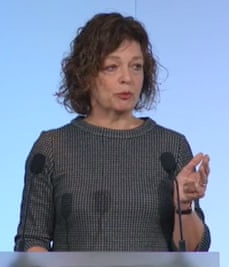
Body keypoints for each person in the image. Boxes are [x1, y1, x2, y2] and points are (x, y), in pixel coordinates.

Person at [14, 12, 211, 252]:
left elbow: (193, 251)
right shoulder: (53, 148)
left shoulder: (170, 148)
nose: (127, 78)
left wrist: (183, 206)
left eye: (136, 67)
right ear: (85, 74)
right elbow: (31, 242)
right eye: (112, 67)